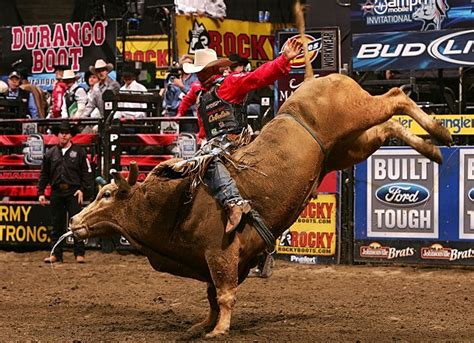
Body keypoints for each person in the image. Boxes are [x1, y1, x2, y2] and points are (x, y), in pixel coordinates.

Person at [182, 40, 302, 233]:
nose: (198, 74)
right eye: (197, 70)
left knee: (207, 159)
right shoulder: (201, 94)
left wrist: (283, 59)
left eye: (201, 70)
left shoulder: (230, 83)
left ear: (212, 70)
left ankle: (233, 202)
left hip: (233, 139)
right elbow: (204, 125)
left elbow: (257, 77)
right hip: (213, 142)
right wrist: (199, 137)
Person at [38, 121, 93, 263]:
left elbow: (86, 173)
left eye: (66, 132)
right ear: (58, 135)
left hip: (73, 191)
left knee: (77, 223)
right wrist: (41, 192)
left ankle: (79, 253)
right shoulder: (50, 153)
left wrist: (82, 189)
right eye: (61, 132)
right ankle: (56, 254)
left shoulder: (79, 152)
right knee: (57, 223)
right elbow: (44, 174)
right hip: (56, 191)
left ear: (70, 135)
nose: (63, 135)